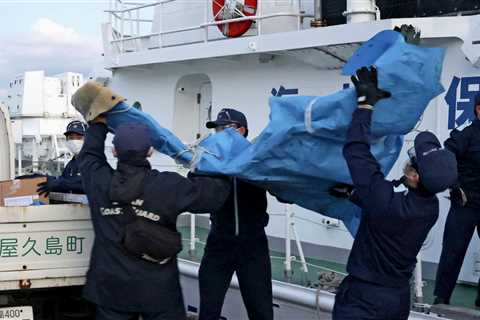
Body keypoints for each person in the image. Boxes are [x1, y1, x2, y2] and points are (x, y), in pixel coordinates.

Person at [330, 67, 457, 320]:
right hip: (397, 299)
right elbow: (383, 200)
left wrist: (365, 105)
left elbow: (356, 151)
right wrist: (356, 194)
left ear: (414, 176)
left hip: (363, 300)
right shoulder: (429, 208)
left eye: (413, 159)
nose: (410, 159)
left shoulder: (385, 201)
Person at [77, 116, 231, 320]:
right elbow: (214, 195)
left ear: (114, 152)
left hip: (111, 290)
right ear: (150, 151)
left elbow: (89, 155)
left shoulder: (99, 181)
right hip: (160, 291)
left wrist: (98, 123)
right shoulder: (169, 186)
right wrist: (207, 164)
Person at [197, 108, 273, 320]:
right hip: (218, 243)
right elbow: (195, 192)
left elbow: (285, 190)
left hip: (253, 246)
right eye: (218, 129)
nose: (220, 133)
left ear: (242, 130)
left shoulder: (259, 159)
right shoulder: (210, 162)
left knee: (261, 311)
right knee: (208, 311)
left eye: (226, 128)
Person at [434, 94, 480, 306]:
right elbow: (446, 156)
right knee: (453, 250)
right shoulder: (465, 135)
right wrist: (453, 186)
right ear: (478, 110)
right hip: (465, 203)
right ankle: (441, 298)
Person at [37, 120, 87, 196]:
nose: (74, 141)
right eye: (71, 138)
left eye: (79, 137)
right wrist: (46, 179)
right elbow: (64, 180)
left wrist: (60, 184)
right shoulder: (71, 164)